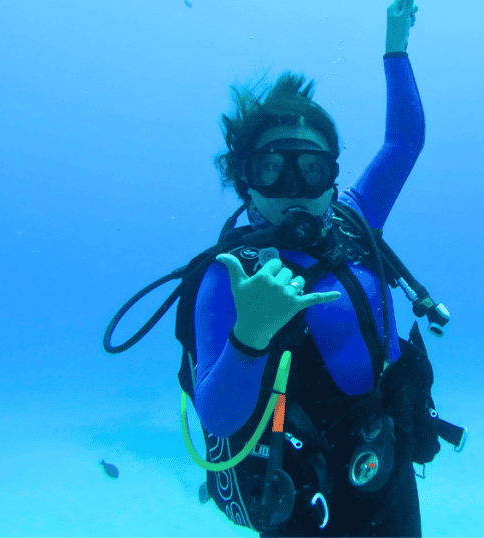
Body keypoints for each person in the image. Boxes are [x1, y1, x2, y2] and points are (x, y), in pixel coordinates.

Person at [192, 1, 428, 536]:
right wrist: (250, 334)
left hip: (382, 455)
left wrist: (396, 42)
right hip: (297, 483)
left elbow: (404, 141)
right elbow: (219, 417)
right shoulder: (228, 276)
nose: (294, 190)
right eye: (272, 170)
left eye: (312, 168)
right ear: (244, 182)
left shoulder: (354, 217)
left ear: (333, 176)